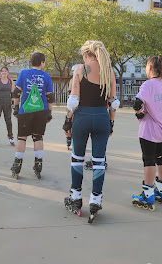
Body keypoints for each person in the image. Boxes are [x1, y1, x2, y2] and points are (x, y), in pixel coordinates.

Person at [63, 40, 118, 223]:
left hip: (82, 117)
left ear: (86, 54)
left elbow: (73, 100)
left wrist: (67, 122)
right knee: (99, 161)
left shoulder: (80, 69)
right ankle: (95, 200)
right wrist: (111, 123)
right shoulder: (109, 72)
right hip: (102, 117)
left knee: (77, 158)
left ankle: (76, 197)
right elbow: (114, 102)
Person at [131, 55, 162, 211]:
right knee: (161, 157)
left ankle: (148, 193)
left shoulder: (147, 85)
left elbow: (137, 103)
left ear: (150, 67)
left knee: (149, 160)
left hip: (149, 130)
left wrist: (140, 114)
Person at [10, 52, 53, 180]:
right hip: (41, 111)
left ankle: (17, 166)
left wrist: (16, 109)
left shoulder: (24, 73)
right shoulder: (46, 76)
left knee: (22, 138)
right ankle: (38, 166)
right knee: (38, 137)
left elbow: (16, 92)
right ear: (42, 62)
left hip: (26, 110)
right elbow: (50, 96)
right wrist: (49, 113)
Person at [0, 66, 15, 146]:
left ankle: (10, 136)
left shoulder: (11, 82)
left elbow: (12, 94)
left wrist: (13, 103)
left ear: (8, 72)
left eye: (5, 71)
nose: (4, 72)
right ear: (0, 73)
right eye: (2, 71)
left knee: (8, 121)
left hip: (7, 103)